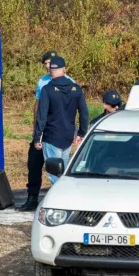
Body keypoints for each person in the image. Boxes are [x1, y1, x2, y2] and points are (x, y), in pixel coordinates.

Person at [33, 56, 89, 184]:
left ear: (50, 71)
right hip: (68, 136)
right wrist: (81, 133)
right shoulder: (76, 88)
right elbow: (84, 113)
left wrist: (37, 138)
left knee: (54, 175)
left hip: (51, 137)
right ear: (64, 70)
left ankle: (58, 195)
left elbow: (42, 116)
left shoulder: (47, 90)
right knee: (63, 173)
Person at [17, 50, 59, 211]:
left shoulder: (67, 82)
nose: (47, 66)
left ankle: (57, 199)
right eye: (45, 63)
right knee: (34, 163)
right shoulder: (42, 81)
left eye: (50, 63)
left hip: (55, 131)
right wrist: (35, 129)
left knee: (55, 167)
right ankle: (32, 197)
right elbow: (37, 104)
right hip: (41, 130)